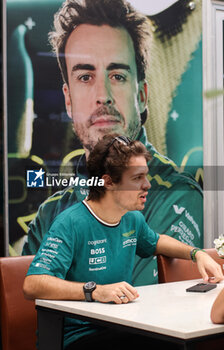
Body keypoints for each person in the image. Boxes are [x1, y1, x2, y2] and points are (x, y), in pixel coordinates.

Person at [22, 0, 203, 286]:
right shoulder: (51, 212)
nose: (102, 95)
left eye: (117, 76)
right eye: (85, 76)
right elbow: (33, 302)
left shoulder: (176, 194)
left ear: (142, 95)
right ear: (68, 100)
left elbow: (140, 309)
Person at [23, 135, 223, 350]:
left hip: (122, 326)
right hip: (78, 336)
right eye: (137, 178)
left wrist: (197, 254)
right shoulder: (70, 222)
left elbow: (156, 242)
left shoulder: (131, 217)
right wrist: (95, 291)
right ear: (108, 182)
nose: (147, 185)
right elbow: (32, 284)